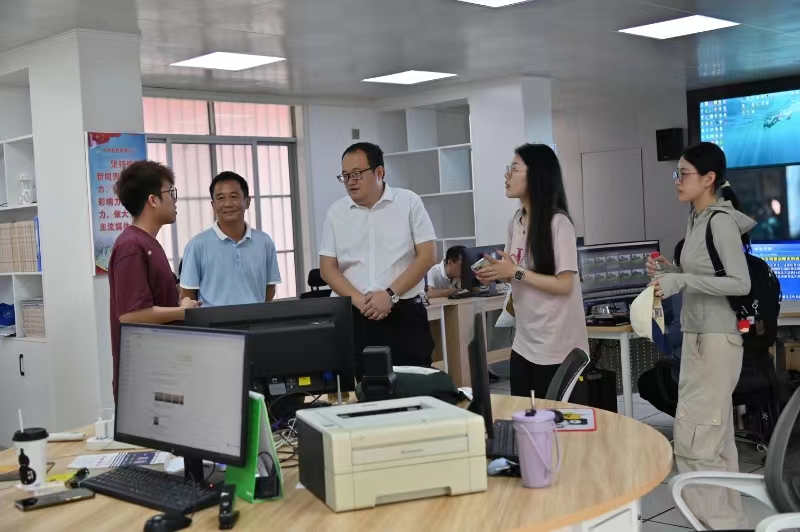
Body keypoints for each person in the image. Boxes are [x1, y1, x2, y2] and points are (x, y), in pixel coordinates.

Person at [648, 142, 754, 530]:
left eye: (684, 173)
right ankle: (729, 522)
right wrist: (672, 271)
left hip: (714, 341)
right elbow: (705, 277)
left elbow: (740, 283)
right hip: (700, 337)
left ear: (709, 179)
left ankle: (715, 523)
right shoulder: (697, 218)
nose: (677, 180)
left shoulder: (719, 222)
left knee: (696, 441)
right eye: (676, 173)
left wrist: (682, 281)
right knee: (715, 439)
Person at [476, 144, 589, 397]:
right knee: (522, 414)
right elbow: (516, 274)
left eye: (514, 169)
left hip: (557, 346)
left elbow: (564, 284)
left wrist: (515, 271)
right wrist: (496, 273)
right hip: (525, 342)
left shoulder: (558, 223)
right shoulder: (515, 222)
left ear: (537, 175)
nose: (507, 175)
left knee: (554, 417)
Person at [319, 142, 437, 371]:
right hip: (354, 315)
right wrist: (359, 301)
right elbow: (327, 268)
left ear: (379, 172)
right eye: (345, 176)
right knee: (358, 384)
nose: (350, 181)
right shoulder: (336, 212)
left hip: (403, 313)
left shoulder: (409, 202)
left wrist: (390, 295)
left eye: (356, 174)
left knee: (414, 381)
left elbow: (428, 256)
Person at [108, 161, 199, 402]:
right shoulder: (131, 246)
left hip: (163, 368)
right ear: (153, 200)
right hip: (144, 377)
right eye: (170, 192)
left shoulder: (149, 243)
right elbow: (131, 315)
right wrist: (183, 311)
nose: (175, 200)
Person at [180, 171, 281, 306]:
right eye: (221, 198)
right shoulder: (197, 245)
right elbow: (187, 294)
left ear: (247, 202)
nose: (228, 204)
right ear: (213, 205)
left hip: (255, 318)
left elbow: (270, 288)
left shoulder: (264, 242)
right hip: (212, 319)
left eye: (234, 196)